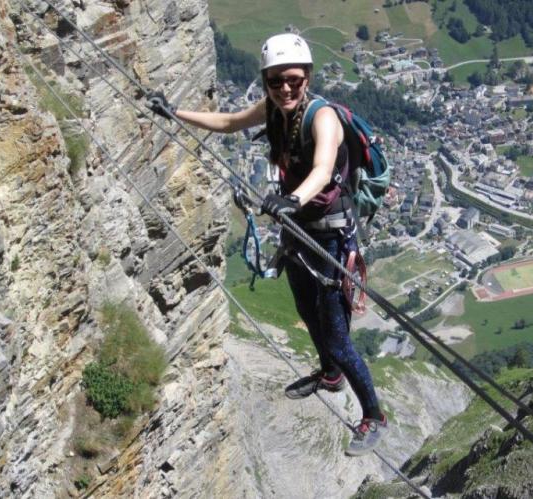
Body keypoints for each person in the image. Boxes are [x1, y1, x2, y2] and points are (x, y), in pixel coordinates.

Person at [147, 33, 387, 456]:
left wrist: (292, 199)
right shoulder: (275, 111)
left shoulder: (322, 117)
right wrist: (175, 112)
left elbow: (323, 167)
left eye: (292, 79)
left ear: (307, 76)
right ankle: (330, 376)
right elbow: (228, 121)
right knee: (305, 311)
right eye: (275, 81)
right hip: (300, 231)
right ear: (267, 82)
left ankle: (373, 415)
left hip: (330, 235)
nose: (285, 87)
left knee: (336, 335)